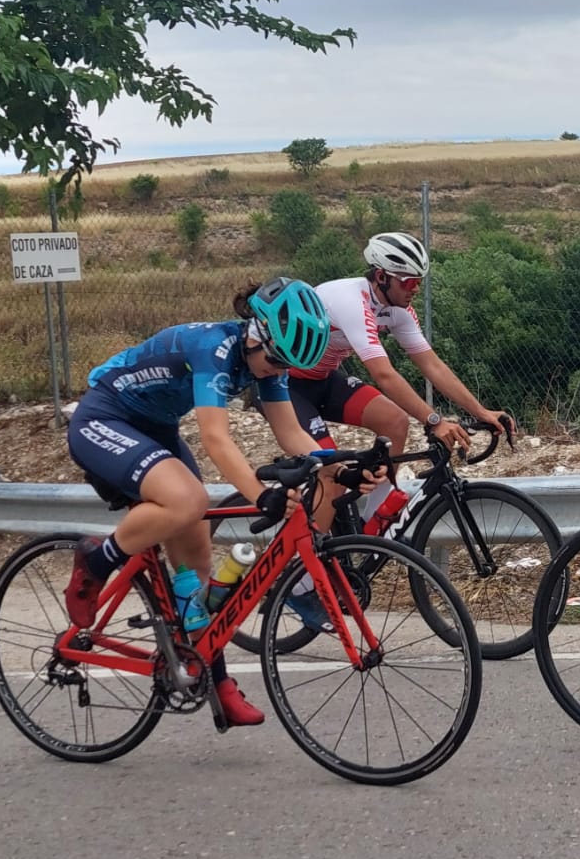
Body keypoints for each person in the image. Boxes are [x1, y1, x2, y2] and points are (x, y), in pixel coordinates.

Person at [60, 277, 338, 727]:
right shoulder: (216, 348)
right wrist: (261, 494)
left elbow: (289, 432)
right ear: (257, 331)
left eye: (284, 364)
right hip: (104, 416)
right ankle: (95, 560)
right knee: (189, 499)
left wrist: (338, 464)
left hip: (155, 429)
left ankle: (215, 679)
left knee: (198, 576)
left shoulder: (266, 360)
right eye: (273, 359)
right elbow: (215, 438)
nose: (274, 369)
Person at [286, 232, 514, 520]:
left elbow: (432, 366)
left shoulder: (398, 311)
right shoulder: (350, 299)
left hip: (324, 380)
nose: (415, 289)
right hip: (286, 387)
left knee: (395, 422)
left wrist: (481, 411)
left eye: (419, 282)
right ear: (382, 277)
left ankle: (375, 525)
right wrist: (434, 420)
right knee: (332, 476)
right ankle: (314, 563)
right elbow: (384, 375)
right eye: (408, 282)